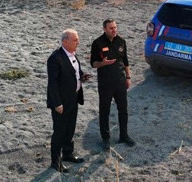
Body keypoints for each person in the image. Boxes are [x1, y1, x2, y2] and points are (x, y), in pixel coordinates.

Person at [46, 29, 90, 173]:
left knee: (70, 128)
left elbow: (74, 71)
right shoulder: (55, 58)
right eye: (75, 40)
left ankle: (68, 154)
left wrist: (82, 76)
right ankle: (55, 162)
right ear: (65, 41)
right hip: (61, 102)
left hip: (73, 98)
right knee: (59, 131)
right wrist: (57, 103)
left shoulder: (72, 55)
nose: (78, 42)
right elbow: (52, 83)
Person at [90, 19, 135, 149]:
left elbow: (125, 61)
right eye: (111, 28)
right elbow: (93, 64)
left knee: (123, 110)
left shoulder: (121, 41)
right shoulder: (97, 43)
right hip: (105, 83)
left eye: (115, 27)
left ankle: (124, 135)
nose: (114, 30)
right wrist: (103, 63)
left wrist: (128, 77)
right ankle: (105, 138)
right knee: (104, 111)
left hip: (120, 82)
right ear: (104, 29)